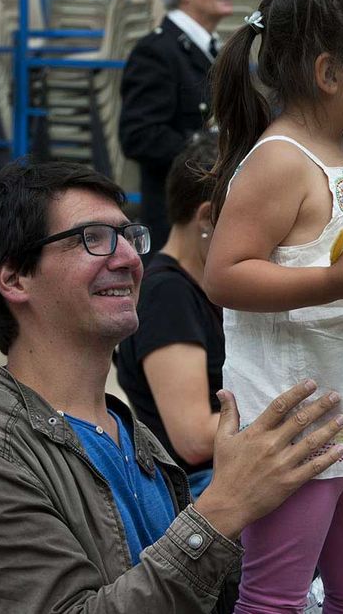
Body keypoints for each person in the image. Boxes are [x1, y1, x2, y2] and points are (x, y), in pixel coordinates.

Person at [0, 160, 343, 613]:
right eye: (92, 239)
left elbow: (199, 595)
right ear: (15, 277)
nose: (130, 258)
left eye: (129, 237)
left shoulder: (126, 432)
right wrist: (222, 510)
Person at [203, 0, 343, 612]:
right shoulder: (281, 160)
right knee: (277, 593)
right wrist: (331, 283)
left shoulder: (337, 155)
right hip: (295, 423)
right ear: (330, 72)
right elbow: (225, 274)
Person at [117, 133, 221, 499]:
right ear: (207, 217)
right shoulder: (168, 295)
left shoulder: (211, 287)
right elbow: (192, 438)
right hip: (192, 490)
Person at [120, 0, 233, 253]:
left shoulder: (209, 48)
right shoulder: (157, 51)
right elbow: (139, 136)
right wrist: (213, 149)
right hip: (176, 221)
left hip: (207, 212)